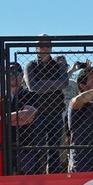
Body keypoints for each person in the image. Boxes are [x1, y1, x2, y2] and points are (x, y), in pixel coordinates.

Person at [24, 35, 69, 174]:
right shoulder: (30, 65)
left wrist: (42, 84)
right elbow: (32, 86)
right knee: (38, 148)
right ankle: (38, 176)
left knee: (54, 149)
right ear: (36, 48)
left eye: (47, 46)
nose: (45, 48)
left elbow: (65, 83)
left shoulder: (58, 65)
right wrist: (54, 84)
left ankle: (53, 176)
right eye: (42, 46)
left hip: (55, 112)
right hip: (38, 113)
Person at [4, 63, 42, 174]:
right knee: (4, 181)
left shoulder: (30, 94)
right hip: (4, 146)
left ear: (21, 75)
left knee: (28, 181)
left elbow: (28, 117)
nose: (13, 75)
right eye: (10, 73)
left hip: (26, 144)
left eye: (16, 72)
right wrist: (18, 116)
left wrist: (3, 118)